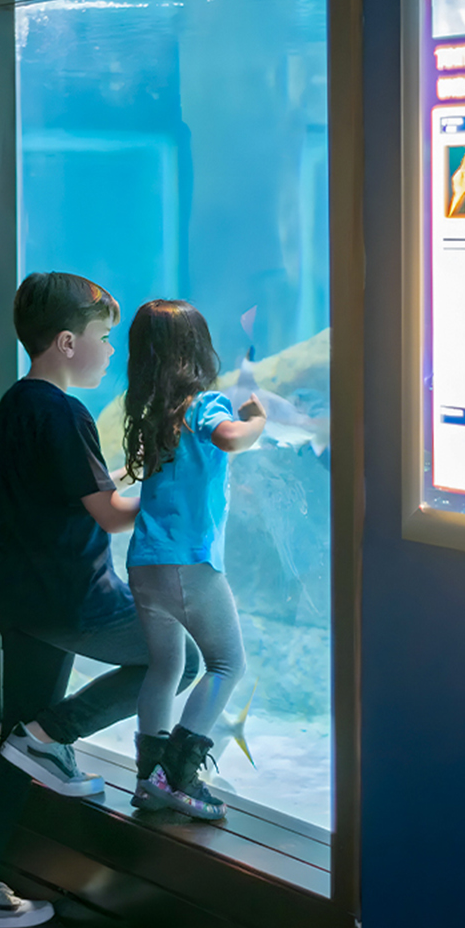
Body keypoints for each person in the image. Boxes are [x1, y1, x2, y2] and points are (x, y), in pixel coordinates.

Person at [0, 272, 198, 928]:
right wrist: (171, 488)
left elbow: (70, 496)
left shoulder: (19, 403)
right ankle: (55, 735)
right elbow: (110, 514)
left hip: (21, 597)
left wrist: (130, 480)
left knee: (13, 746)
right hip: (71, 598)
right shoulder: (64, 413)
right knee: (182, 659)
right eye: (103, 337)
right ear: (65, 342)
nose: (110, 350)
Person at [122, 300, 266, 822]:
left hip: (146, 562)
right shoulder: (203, 405)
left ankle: (147, 779)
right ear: (199, 351)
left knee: (166, 667)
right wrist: (257, 420)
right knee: (228, 663)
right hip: (189, 565)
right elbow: (230, 438)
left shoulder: (149, 416)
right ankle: (177, 776)